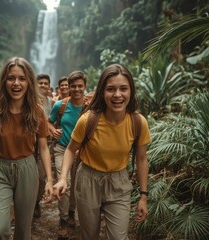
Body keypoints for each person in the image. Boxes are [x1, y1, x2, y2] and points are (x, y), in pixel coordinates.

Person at [53, 64, 151, 240]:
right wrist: (62, 179)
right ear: (102, 92)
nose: (117, 95)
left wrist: (143, 196)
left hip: (119, 182)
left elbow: (142, 159)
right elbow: (70, 150)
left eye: (123, 89)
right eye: (111, 89)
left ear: (131, 91)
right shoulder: (88, 120)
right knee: (89, 235)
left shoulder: (138, 122)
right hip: (88, 180)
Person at [0, 57, 54, 240]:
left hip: (27, 169)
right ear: (5, 81)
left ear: (29, 82)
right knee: (0, 230)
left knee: (23, 229)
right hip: (0, 170)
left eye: (22, 78)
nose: (16, 83)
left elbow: (43, 147)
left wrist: (50, 180)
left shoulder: (37, 112)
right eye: (11, 78)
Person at [48, 71, 87, 238]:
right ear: (68, 87)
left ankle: (71, 212)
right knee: (65, 182)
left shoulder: (90, 107)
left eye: (80, 86)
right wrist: (53, 131)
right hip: (63, 149)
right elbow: (49, 122)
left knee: (77, 185)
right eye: (73, 86)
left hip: (82, 151)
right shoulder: (60, 105)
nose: (77, 89)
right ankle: (63, 219)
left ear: (85, 87)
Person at [34, 73, 54, 218]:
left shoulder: (52, 103)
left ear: (49, 86)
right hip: (29, 145)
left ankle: (35, 202)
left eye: (45, 83)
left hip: (45, 144)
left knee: (41, 178)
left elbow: (53, 121)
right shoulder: (29, 101)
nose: (43, 85)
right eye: (40, 83)